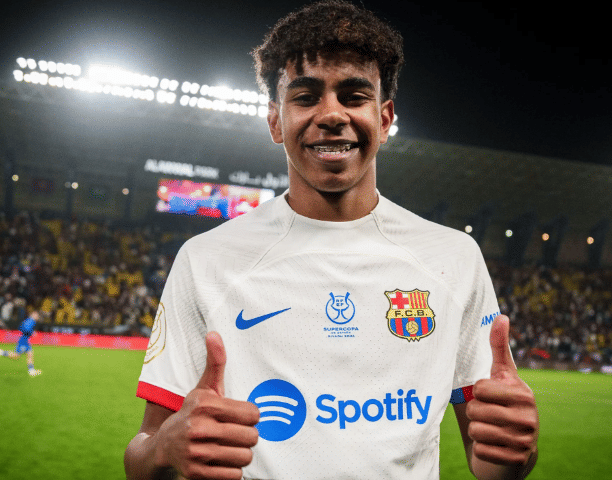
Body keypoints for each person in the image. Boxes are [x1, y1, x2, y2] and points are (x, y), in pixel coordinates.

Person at [125, 1, 539, 479]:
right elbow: (142, 454)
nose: (331, 115)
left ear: (384, 119)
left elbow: (490, 464)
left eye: (354, 96)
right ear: (275, 121)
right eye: (305, 97)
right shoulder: (206, 259)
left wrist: (515, 451)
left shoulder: (453, 258)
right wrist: (164, 449)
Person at [0, 310, 42, 377]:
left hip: (25, 340)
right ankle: (0, 352)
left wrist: (30, 332)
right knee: (16, 356)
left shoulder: (29, 320)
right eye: (36, 315)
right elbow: (25, 329)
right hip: (23, 341)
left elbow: (21, 327)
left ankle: (31, 371)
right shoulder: (31, 321)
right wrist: (32, 333)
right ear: (33, 315)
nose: (37, 316)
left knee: (30, 354)